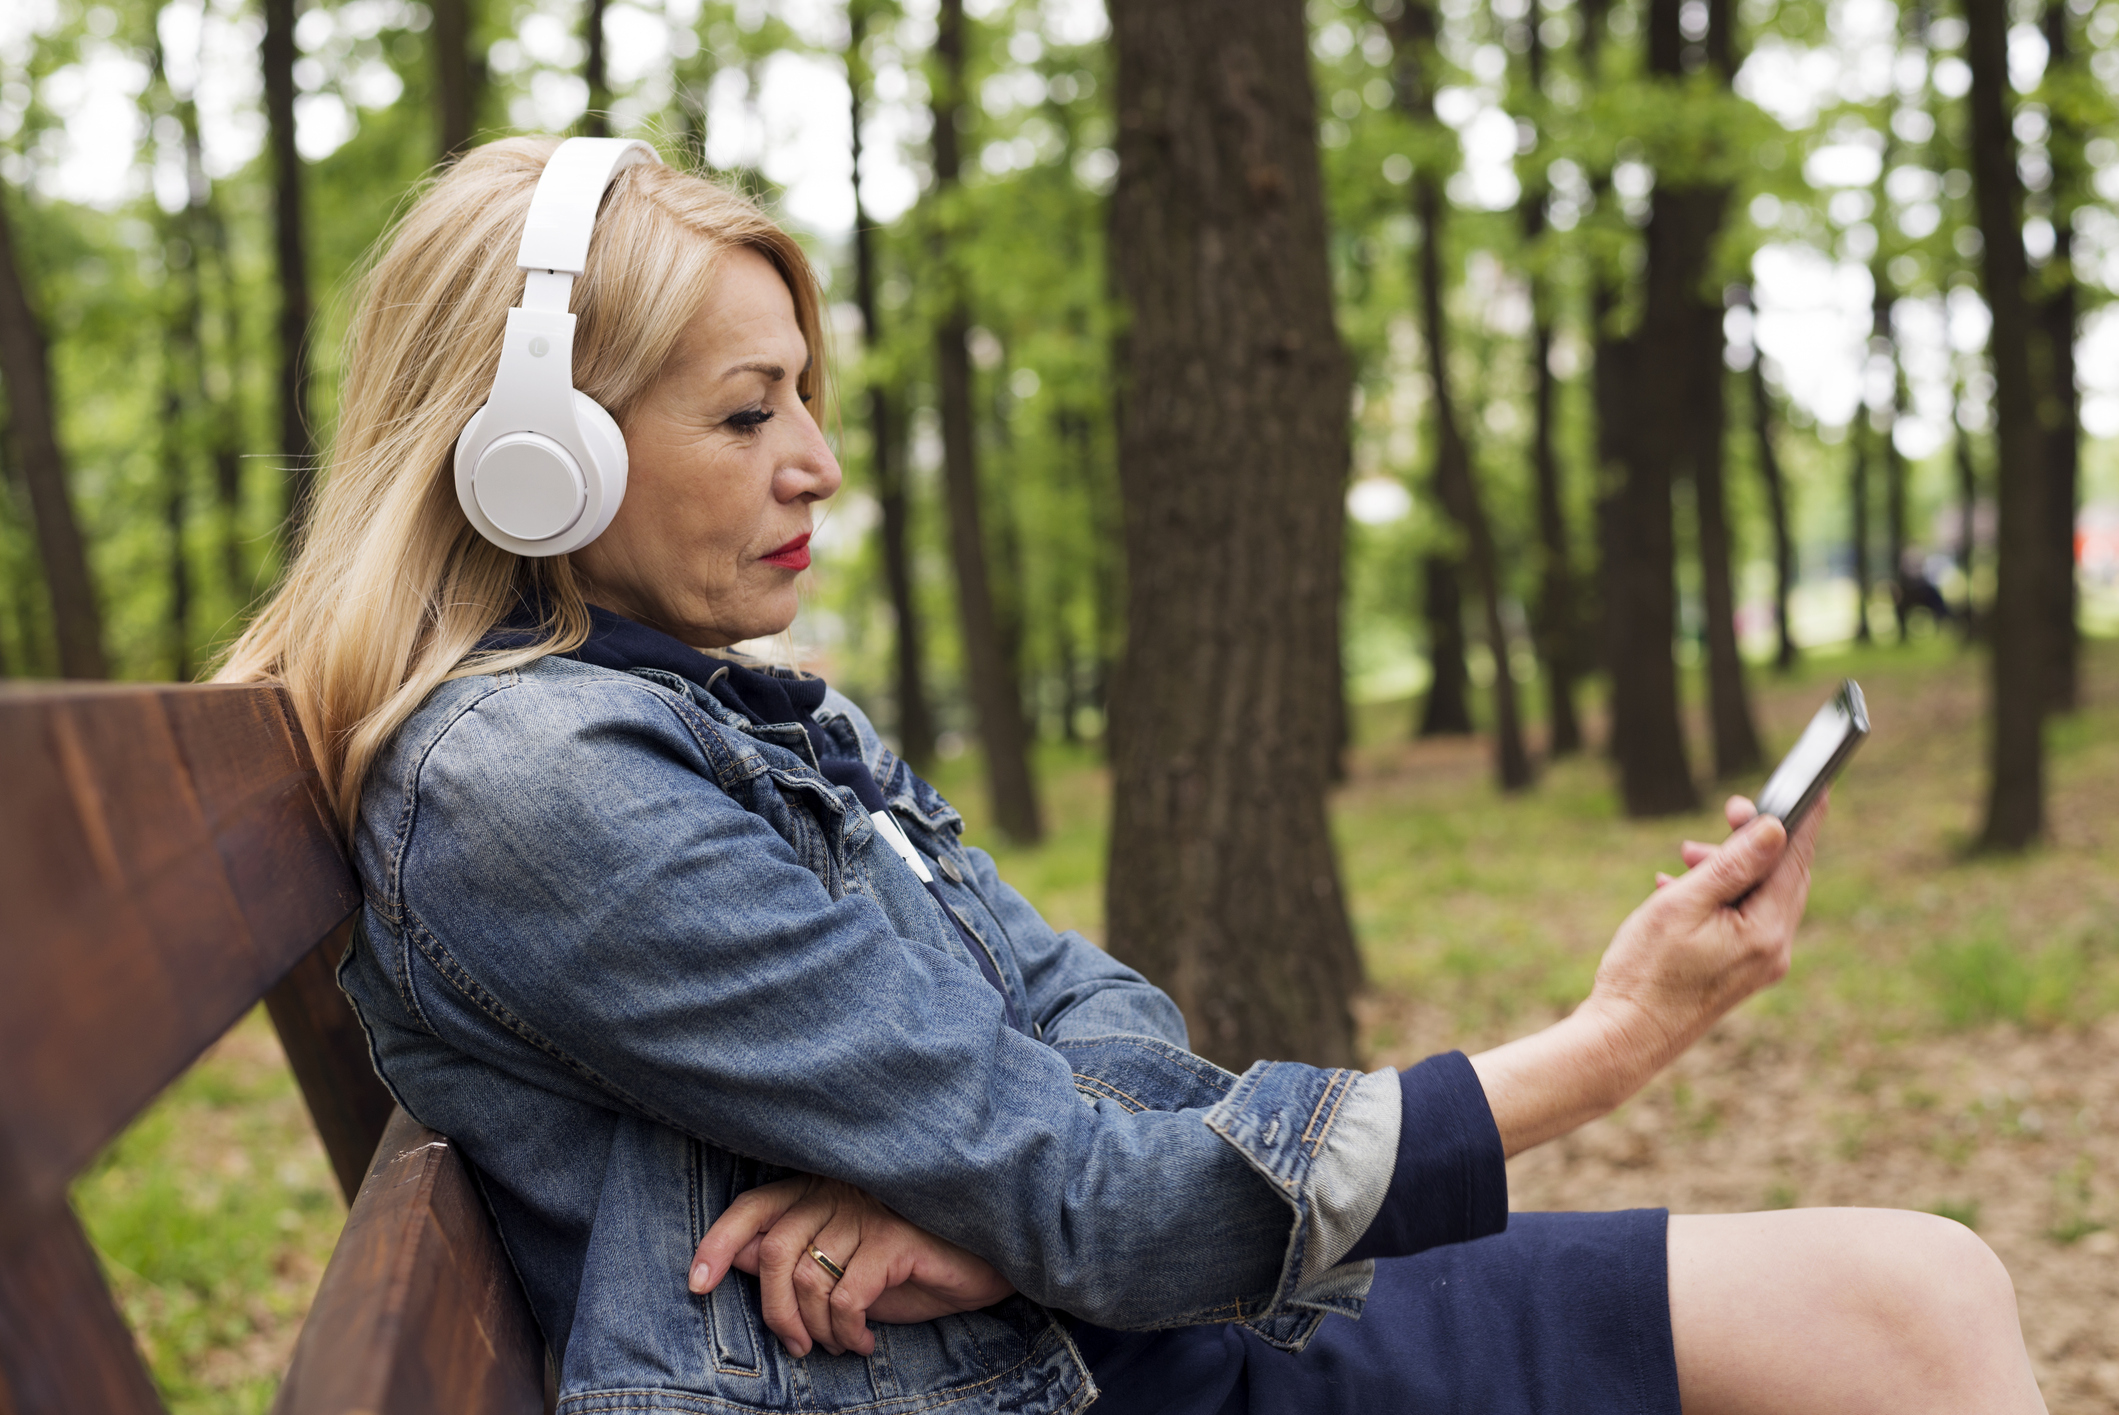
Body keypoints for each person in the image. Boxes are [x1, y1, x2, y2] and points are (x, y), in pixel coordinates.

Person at [222, 137, 2046, 1415]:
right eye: (747, 410)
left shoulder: (744, 708)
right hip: (1049, 1380)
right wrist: (1619, 1038)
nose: (818, 467)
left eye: (805, 398)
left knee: (1922, 1293)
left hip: (1100, 1336)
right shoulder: (542, 783)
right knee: (1906, 1315)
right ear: (530, 455)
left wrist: (990, 1211)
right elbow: (1090, 1194)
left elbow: (1087, 1008)